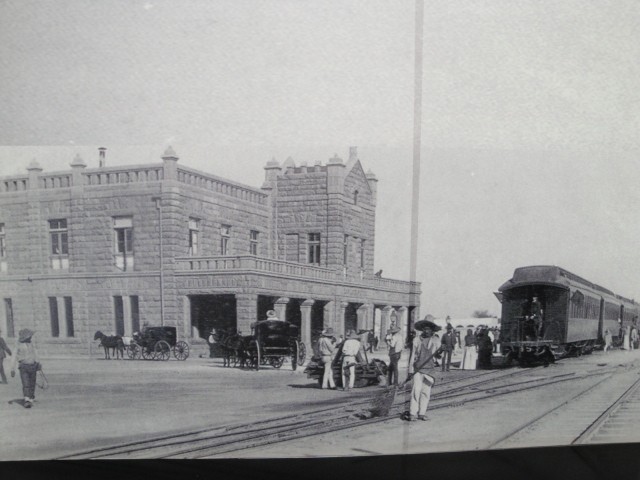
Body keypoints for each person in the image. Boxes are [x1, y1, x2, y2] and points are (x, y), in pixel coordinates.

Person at [407, 319, 442, 421]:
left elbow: (439, 356)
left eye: (428, 329)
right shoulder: (417, 340)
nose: (426, 331)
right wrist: (410, 370)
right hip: (418, 369)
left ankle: (422, 413)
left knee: (426, 392)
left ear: (432, 331)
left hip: (430, 369)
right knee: (416, 391)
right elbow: (413, 355)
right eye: (425, 329)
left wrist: (442, 351)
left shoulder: (436, 340)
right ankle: (413, 413)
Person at [10, 328, 40, 408]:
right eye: (29, 336)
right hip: (23, 366)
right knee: (26, 383)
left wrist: (38, 362)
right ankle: (27, 400)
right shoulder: (18, 345)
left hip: (33, 365)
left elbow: (36, 353)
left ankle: (31, 397)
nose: (31, 337)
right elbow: (13, 356)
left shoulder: (32, 344)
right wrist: (12, 368)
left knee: (32, 383)